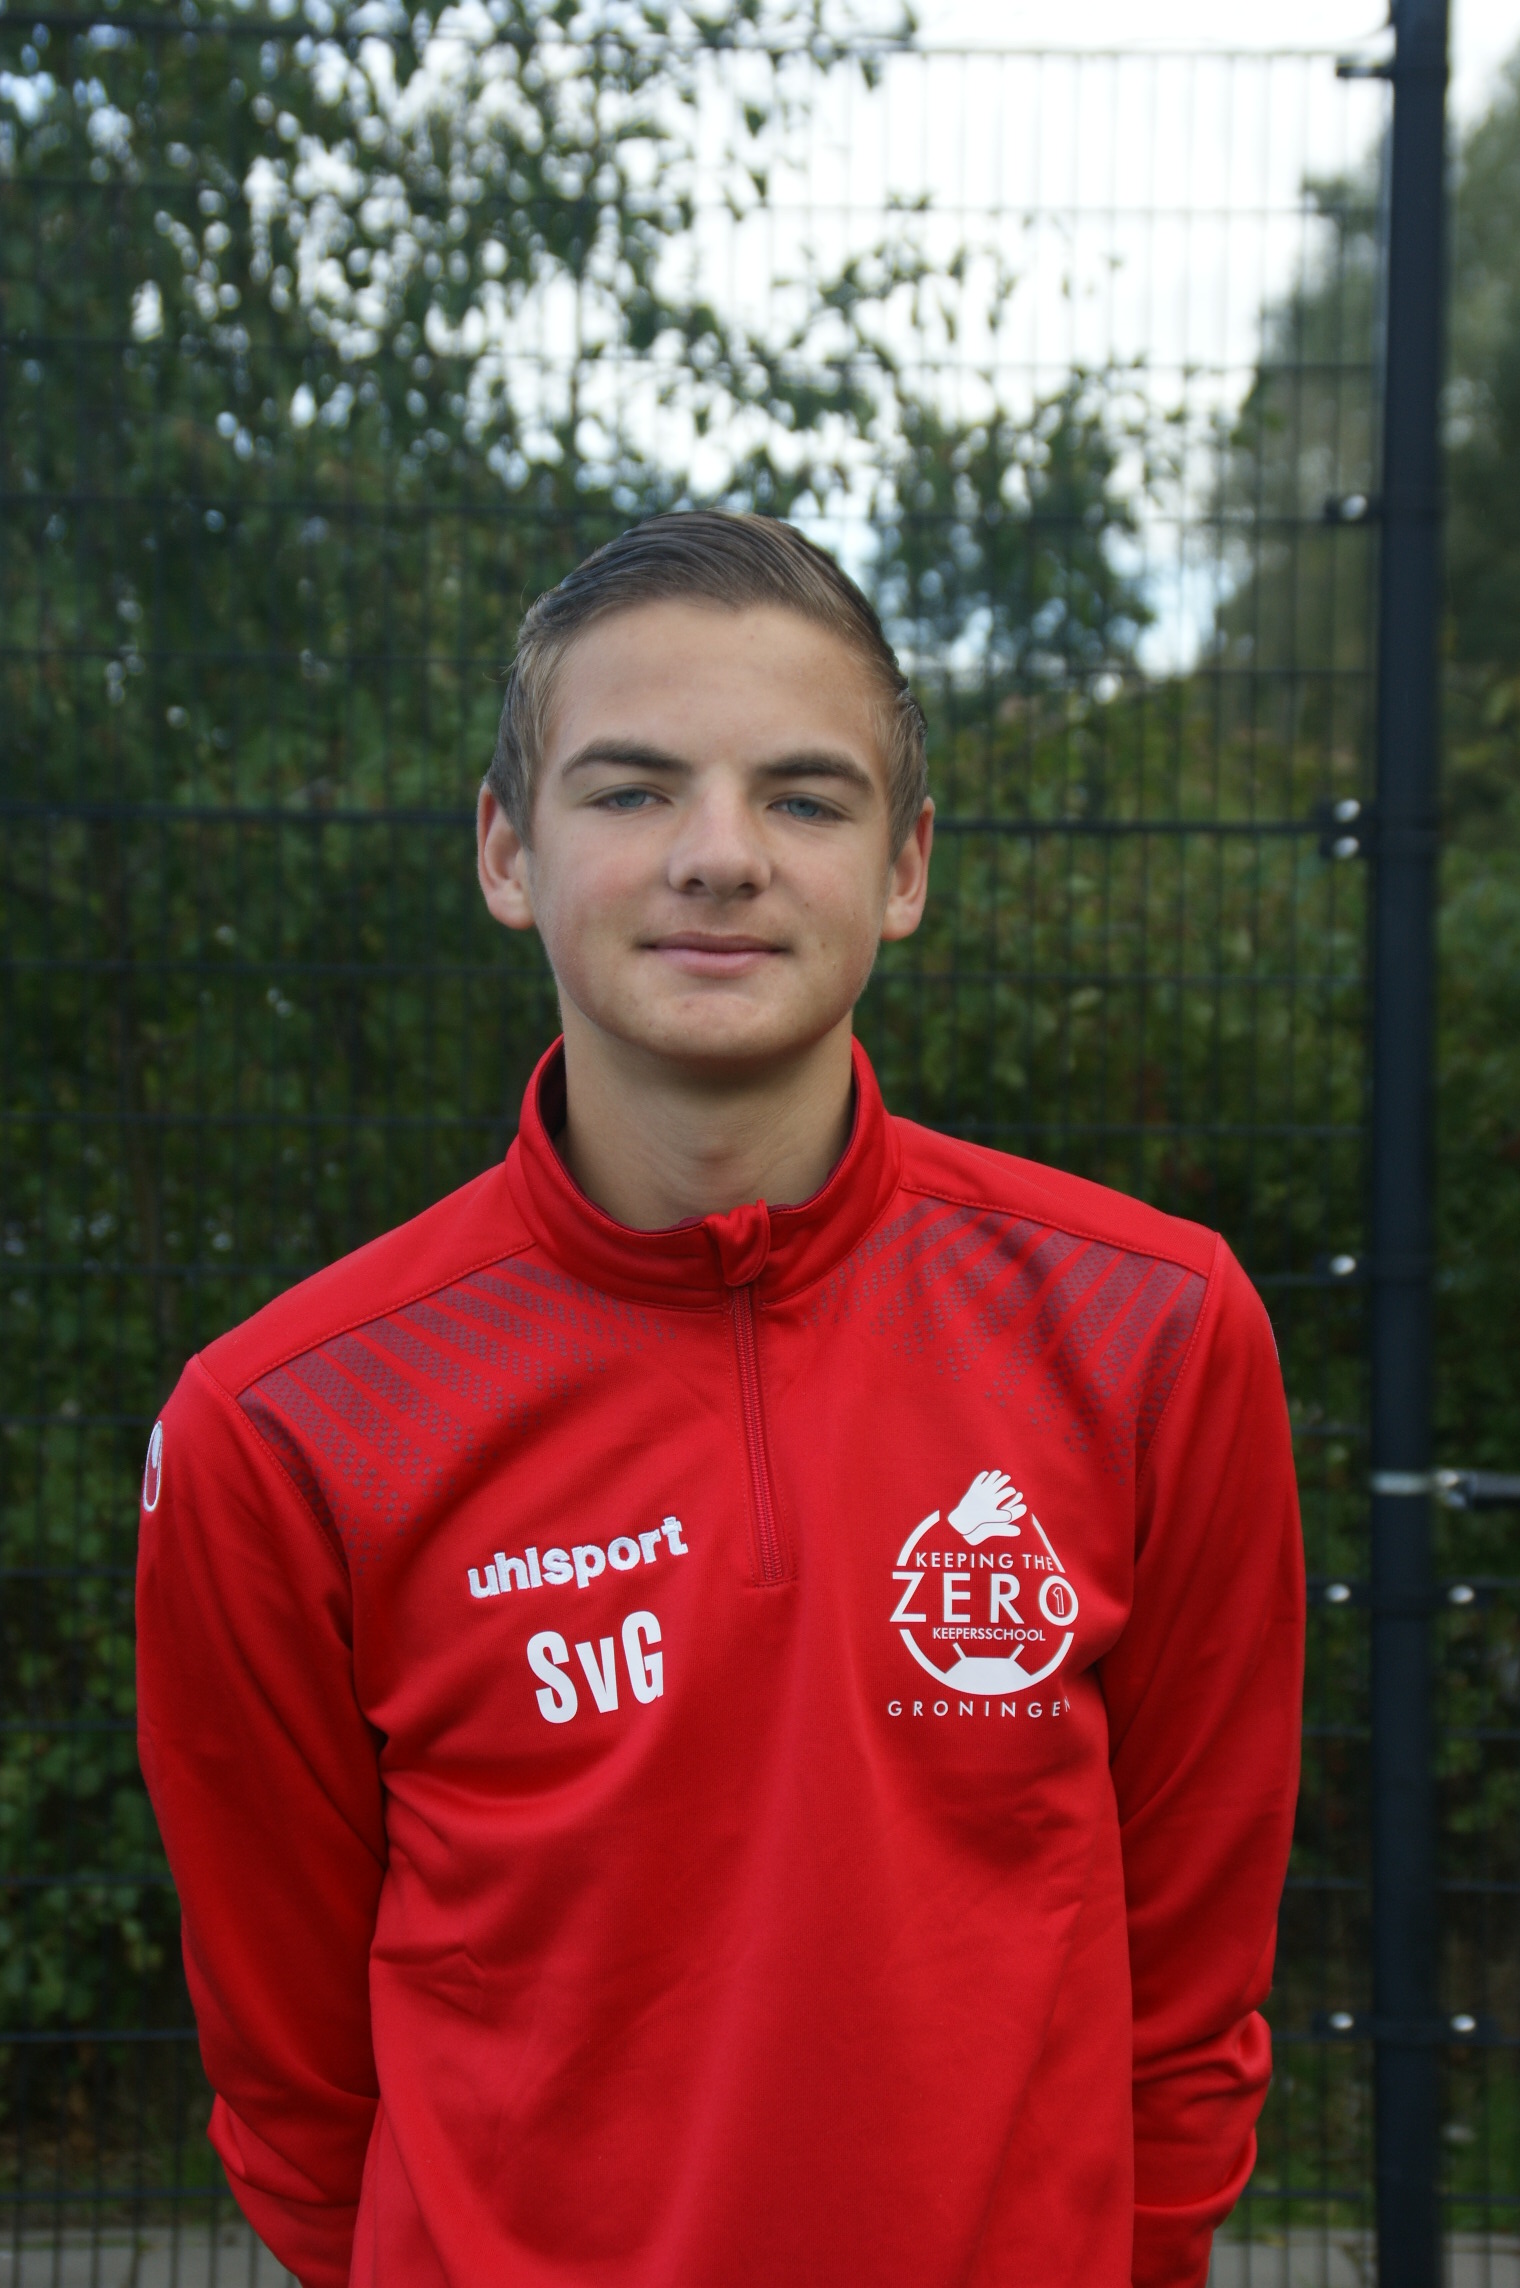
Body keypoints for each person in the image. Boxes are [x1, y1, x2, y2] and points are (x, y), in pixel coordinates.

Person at [136, 510, 1303, 2288]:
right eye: (630, 790)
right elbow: (296, 2084)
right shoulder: (286, 1425)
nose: (719, 858)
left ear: (906, 867)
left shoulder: (1157, 1332)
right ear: (506, 850)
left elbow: (1194, 1962)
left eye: (805, 799)